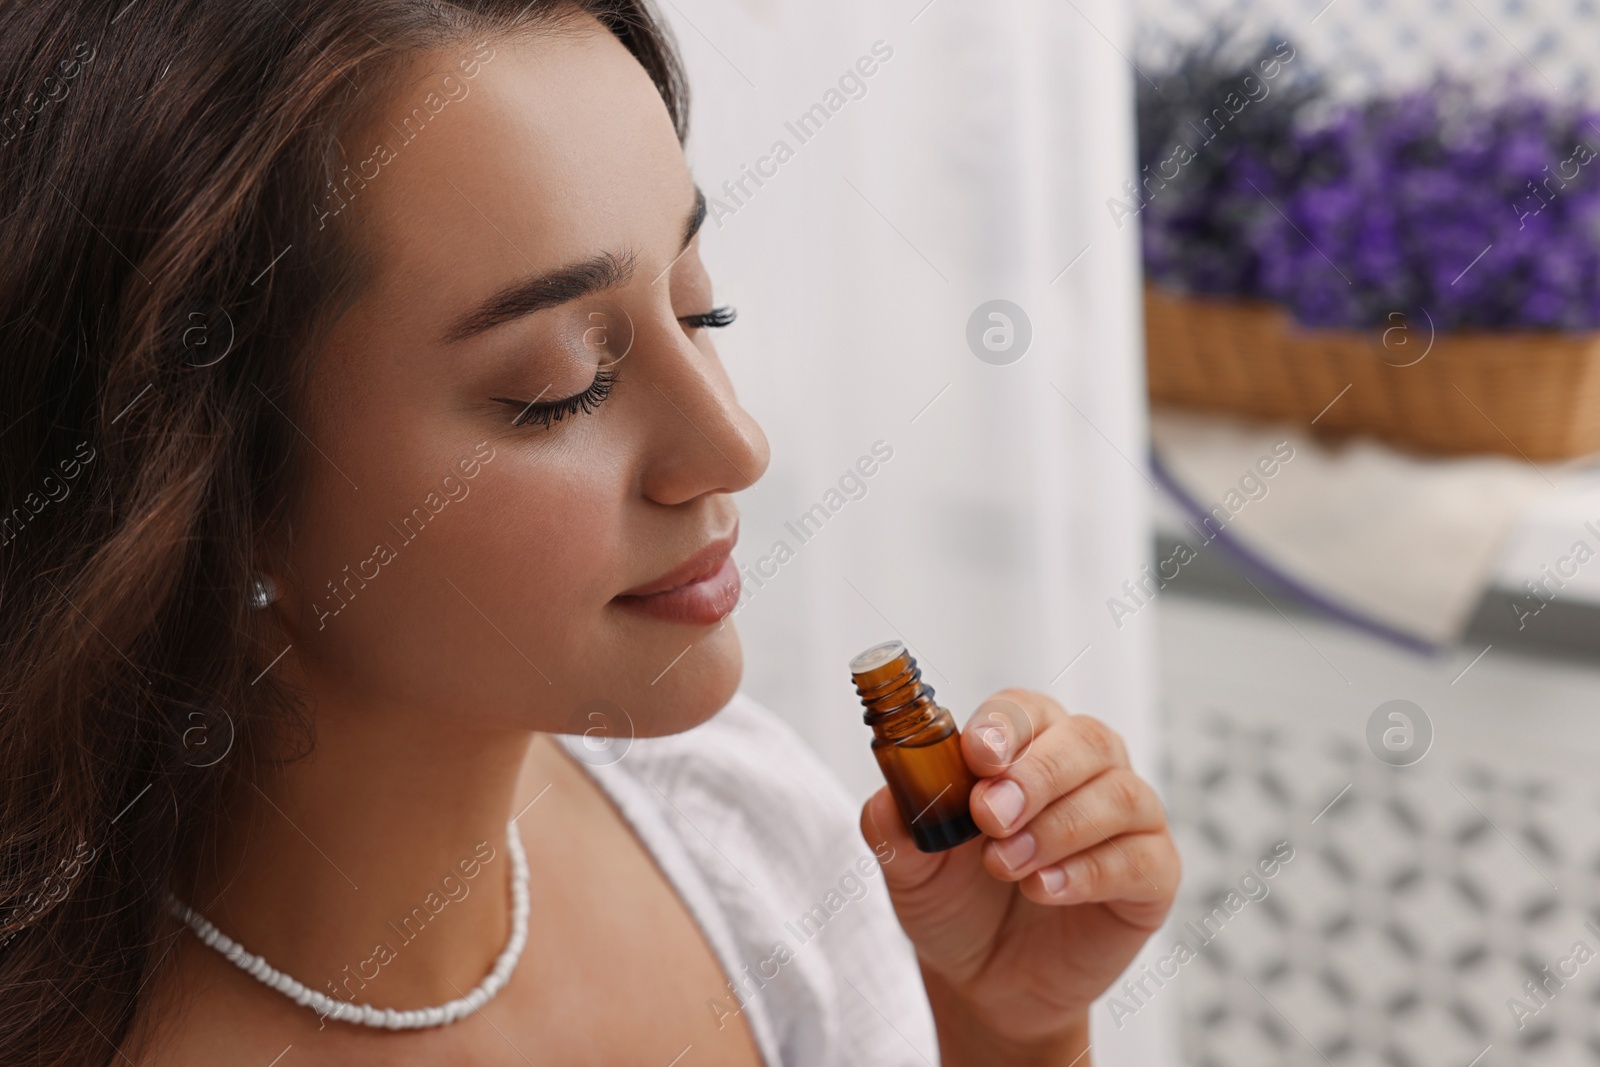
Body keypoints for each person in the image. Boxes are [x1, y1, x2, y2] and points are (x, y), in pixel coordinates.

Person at [0, 2, 1180, 1063]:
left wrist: (1006, 1033)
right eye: (558, 385)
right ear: (209, 487)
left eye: (696, 306)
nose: (733, 445)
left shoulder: (747, 838)